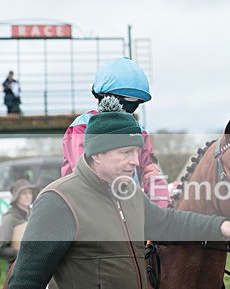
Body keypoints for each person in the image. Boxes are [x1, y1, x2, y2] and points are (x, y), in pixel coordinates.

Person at [4, 100, 230, 289]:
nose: (135, 162)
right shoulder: (58, 200)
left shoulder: (129, 192)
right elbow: (24, 285)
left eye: (136, 152)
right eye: (125, 153)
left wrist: (219, 226)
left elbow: (166, 221)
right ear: (97, 153)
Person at [61, 57, 169, 208]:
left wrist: (163, 209)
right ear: (104, 98)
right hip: (82, 208)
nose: (125, 111)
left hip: (126, 206)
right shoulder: (82, 127)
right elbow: (84, 173)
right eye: (123, 102)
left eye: (133, 105)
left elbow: (151, 171)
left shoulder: (140, 131)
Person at [0, 179, 36, 265]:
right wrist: (22, 254)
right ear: (17, 196)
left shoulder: (35, 214)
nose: (28, 196)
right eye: (24, 193)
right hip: (16, 268)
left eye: (29, 192)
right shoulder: (9, 218)